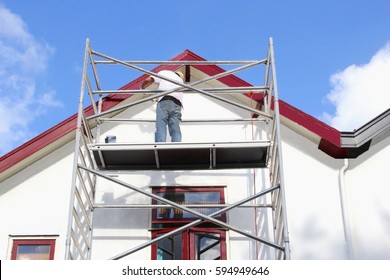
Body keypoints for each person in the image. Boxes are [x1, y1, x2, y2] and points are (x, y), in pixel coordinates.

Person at [141, 70, 184, 142]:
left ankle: (160, 145)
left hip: (165, 100)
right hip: (177, 104)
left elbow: (149, 80)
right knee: (175, 128)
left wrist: (142, 88)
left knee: (161, 125)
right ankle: (177, 146)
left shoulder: (165, 73)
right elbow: (172, 95)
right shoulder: (180, 81)